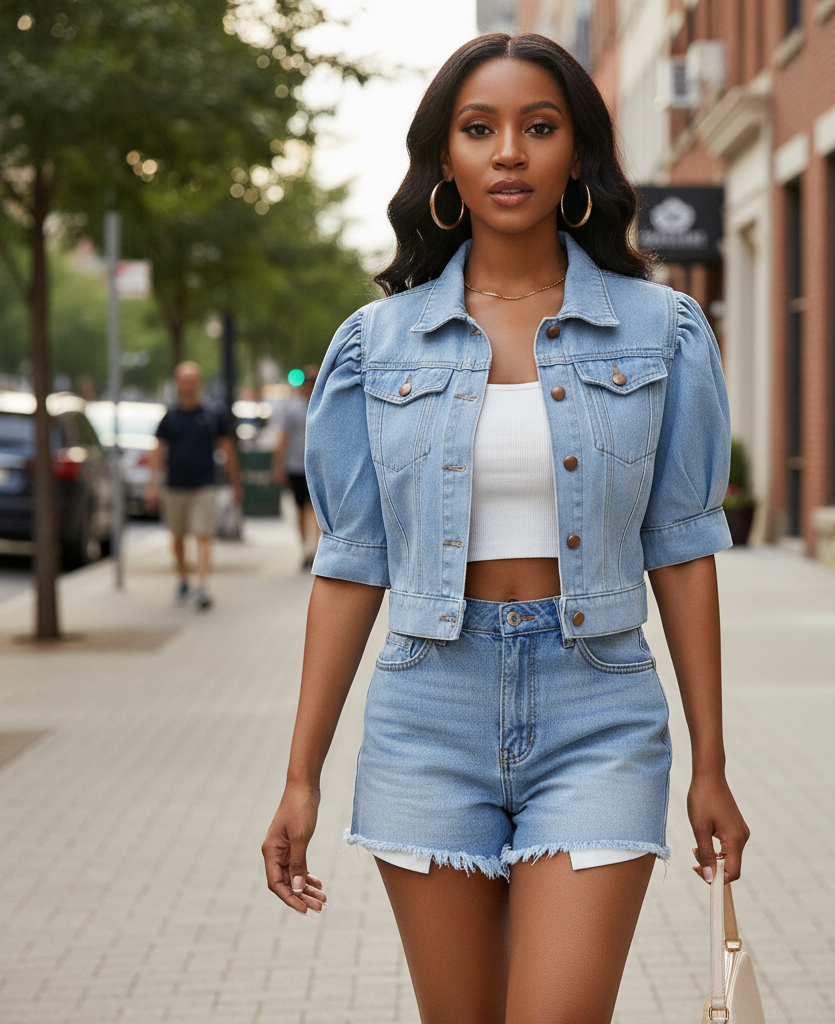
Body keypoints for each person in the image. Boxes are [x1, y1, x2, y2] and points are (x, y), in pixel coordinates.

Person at [262, 32, 748, 1022]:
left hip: (599, 706)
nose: (510, 153)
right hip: (425, 712)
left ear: (577, 151)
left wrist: (712, 762)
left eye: (539, 126)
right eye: (479, 130)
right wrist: (299, 775)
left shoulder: (662, 331)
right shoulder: (375, 344)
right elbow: (352, 563)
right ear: (447, 159)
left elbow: (684, 548)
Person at [146, 361, 241, 610]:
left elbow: (228, 448)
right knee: (177, 537)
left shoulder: (211, 415)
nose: (187, 384)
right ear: (177, 383)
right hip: (175, 486)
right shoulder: (169, 417)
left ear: (198, 382)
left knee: (203, 535)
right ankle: (183, 579)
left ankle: (201, 585)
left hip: (204, 486)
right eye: (183, 379)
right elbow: (157, 452)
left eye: (192, 379)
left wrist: (235, 483)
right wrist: (152, 485)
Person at [273, 366, 320, 569]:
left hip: (319, 466)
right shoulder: (292, 408)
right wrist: (278, 464)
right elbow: (283, 437)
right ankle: (305, 549)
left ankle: (316, 549)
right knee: (300, 509)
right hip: (296, 465)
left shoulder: (325, 402)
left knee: (318, 511)